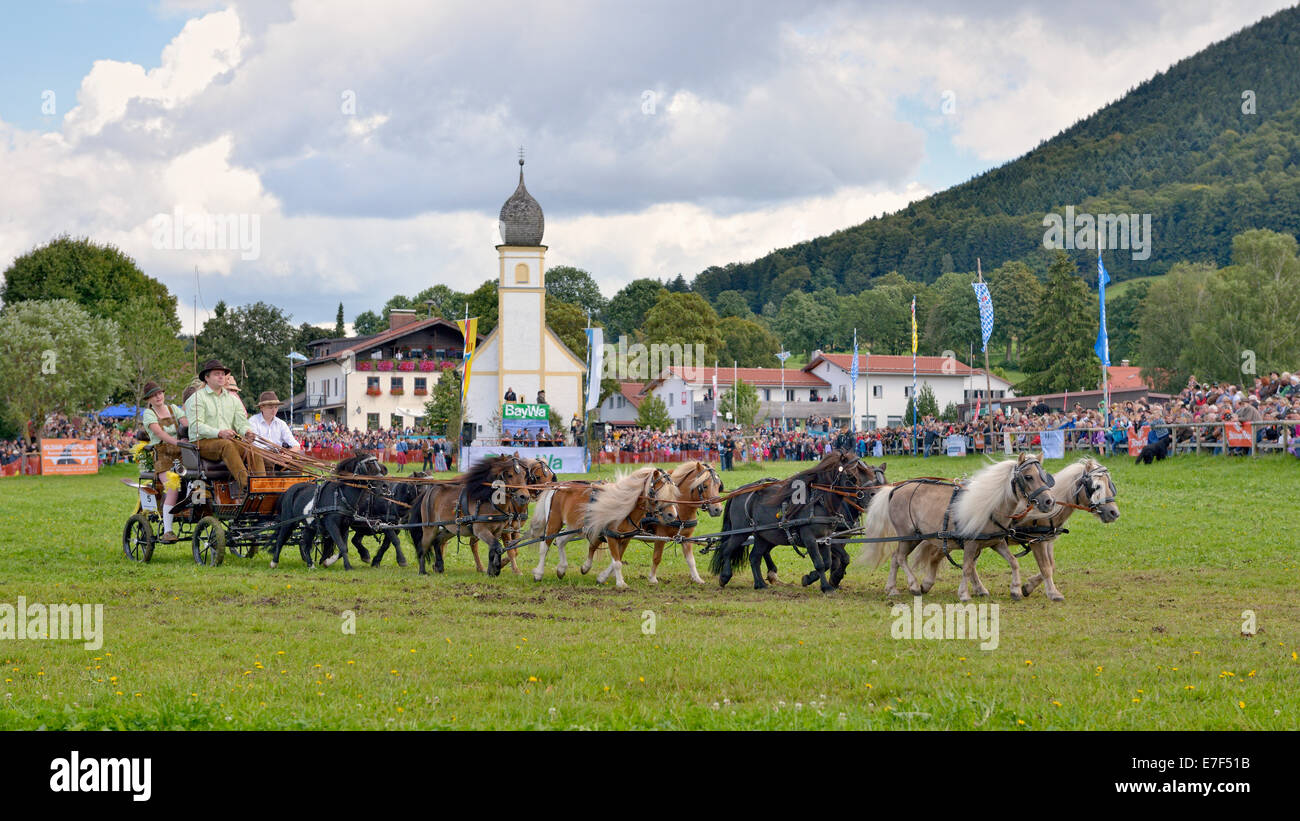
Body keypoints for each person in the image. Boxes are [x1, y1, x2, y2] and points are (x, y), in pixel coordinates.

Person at [183, 359, 265, 498]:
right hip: (202, 442)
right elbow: (197, 426)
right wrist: (219, 432)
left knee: (253, 449)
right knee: (226, 445)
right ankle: (246, 485)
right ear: (207, 378)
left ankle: (262, 486)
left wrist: (247, 432)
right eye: (216, 374)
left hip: (228, 442)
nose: (221, 376)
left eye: (222, 374)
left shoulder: (233, 399)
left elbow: (241, 423)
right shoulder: (197, 398)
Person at [141, 381, 187, 543]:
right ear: (149, 399)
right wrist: (177, 442)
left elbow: (187, 424)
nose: (158, 397)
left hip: (183, 453)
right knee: (173, 486)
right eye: (154, 395)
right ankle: (168, 531)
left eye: (160, 393)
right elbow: (159, 433)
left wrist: (190, 436)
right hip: (162, 455)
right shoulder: (149, 414)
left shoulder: (173, 408)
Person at [247, 391, 300, 468]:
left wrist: (288, 454)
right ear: (262, 407)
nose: (274, 410)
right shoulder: (253, 421)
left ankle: (299, 480)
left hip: (279, 456)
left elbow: (296, 445)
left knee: (297, 463)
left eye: (276, 407)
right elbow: (255, 446)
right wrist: (274, 456)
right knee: (267, 462)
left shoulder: (281, 423)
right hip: (261, 456)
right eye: (270, 407)